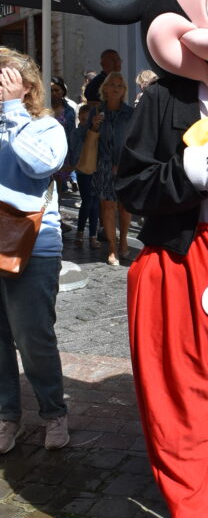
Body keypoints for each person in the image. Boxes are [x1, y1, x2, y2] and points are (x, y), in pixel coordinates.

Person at [0, 49, 70, 453]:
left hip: (33, 245)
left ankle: (53, 412)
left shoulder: (47, 126)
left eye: (5, 80)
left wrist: (12, 113)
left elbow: (41, 166)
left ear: (26, 87)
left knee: (33, 336)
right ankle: (8, 416)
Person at [91, 71, 133, 266]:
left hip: (125, 165)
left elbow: (134, 141)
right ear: (105, 89)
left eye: (120, 85)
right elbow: (87, 138)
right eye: (112, 85)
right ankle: (112, 248)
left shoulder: (130, 113)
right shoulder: (97, 112)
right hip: (104, 165)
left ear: (123, 90)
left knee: (124, 207)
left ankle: (123, 239)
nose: (116, 88)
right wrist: (93, 126)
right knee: (107, 207)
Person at [68, 103, 101, 249]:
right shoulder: (76, 133)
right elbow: (76, 153)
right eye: (82, 119)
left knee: (95, 203)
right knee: (88, 201)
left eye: (87, 120)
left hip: (97, 170)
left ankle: (92, 235)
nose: (85, 122)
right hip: (82, 170)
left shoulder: (99, 131)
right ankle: (81, 232)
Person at [50, 76, 76, 198]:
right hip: (45, 152)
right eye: (51, 90)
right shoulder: (41, 109)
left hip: (62, 154)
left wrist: (72, 160)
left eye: (57, 90)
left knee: (58, 192)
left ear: (63, 92)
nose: (54, 93)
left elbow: (72, 136)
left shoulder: (69, 111)